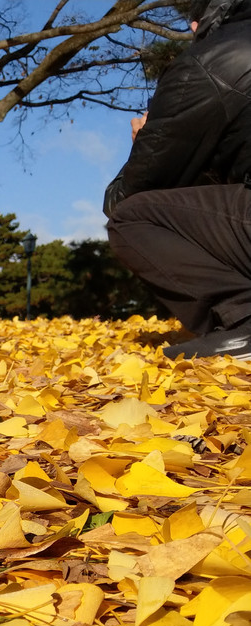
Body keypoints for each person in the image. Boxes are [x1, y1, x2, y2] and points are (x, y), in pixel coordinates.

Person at [103, 0, 251, 360]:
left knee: (132, 219)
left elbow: (130, 193)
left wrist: (142, 142)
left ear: (197, 24)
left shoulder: (207, 62)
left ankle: (245, 318)